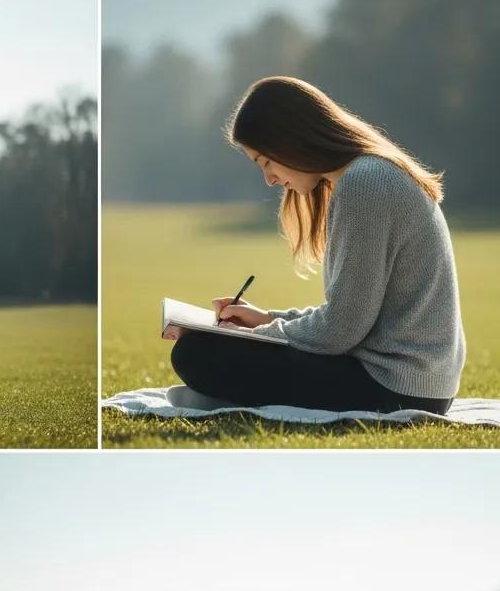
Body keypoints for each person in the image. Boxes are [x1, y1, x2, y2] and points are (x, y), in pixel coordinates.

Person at [167, 76, 465, 415]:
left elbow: (341, 329)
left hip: (395, 386)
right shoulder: (368, 176)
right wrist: (268, 318)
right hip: (413, 382)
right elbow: (352, 315)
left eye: (266, 162)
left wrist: (266, 332)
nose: (270, 179)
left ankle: (231, 397)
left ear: (291, 140)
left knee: (196, 353)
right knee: (207, 348)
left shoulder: (365, 184)